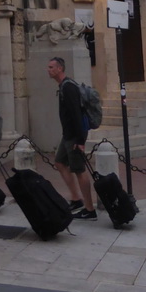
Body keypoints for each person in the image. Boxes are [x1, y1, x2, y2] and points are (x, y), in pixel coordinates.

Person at [47, 57, 97, 219]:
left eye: (51, 67)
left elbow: (77, 114)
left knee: (79, 170)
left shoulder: (68, 88)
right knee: (60, 162)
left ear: (60, 68)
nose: (48, 70)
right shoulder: (63, 86)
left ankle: (90, 209)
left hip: (74, 137)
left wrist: (80, 141)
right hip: (68, 135)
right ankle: (76, 199)